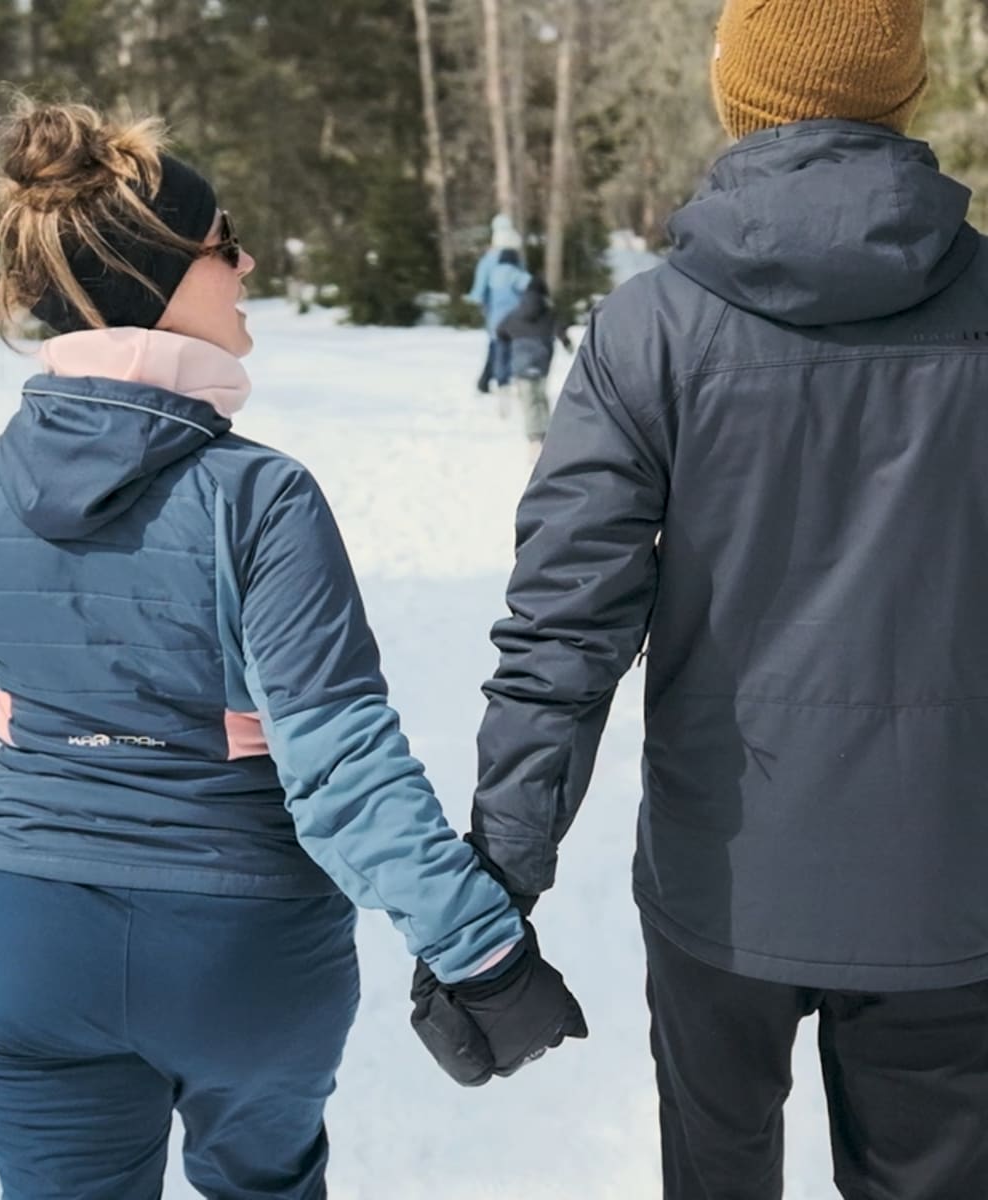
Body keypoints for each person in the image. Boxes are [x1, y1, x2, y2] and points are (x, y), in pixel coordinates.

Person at [0, 98, 585, 1200]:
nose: (244, 261)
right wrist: (483, 953)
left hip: (20, 943)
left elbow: (22, 698)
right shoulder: (259, 498)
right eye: (220, 241)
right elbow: (339, 763)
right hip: (235, 951)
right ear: (150, 281)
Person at [435, 1, 988, 1197]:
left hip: (723, 884)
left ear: (736, 90)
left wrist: (500, 874)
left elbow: (566, 631)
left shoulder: (650, 329)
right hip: (949, 886)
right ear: (905, 92)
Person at [495, 275, 573, 457]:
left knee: (528, 400)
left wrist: (509, 341)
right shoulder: (548, 313)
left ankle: (534, 439)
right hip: (542, 360)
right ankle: (548, 434)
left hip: (521, 361)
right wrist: (567, 343)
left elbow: (500, 330)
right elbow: (561, 329)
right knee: (540, 396)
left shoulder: (515, 312)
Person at [466, 213, 523, 393]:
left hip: (495, 311)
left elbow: (479, 289)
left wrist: (481, 302)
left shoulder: (489, 259)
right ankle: (497, 379)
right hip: (512, 311)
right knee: (503, 345)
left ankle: (488, 380)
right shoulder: (514, 256)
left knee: (497, 343)